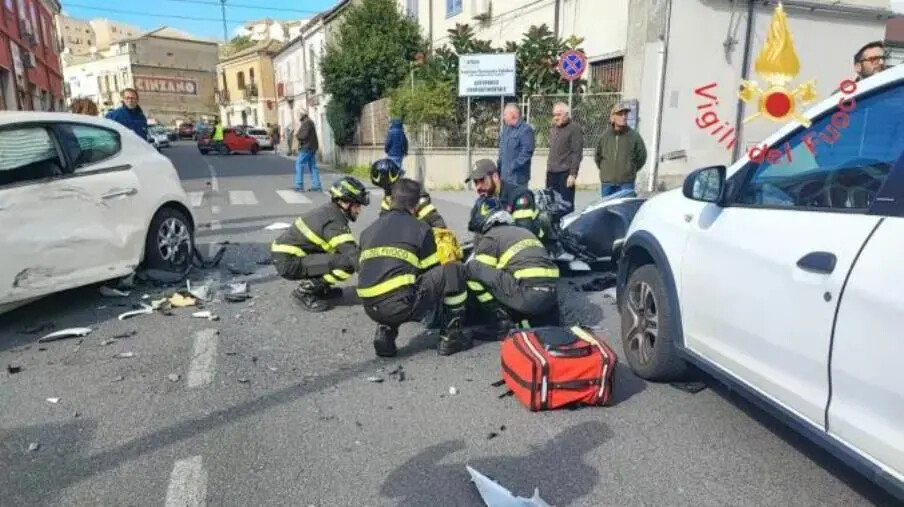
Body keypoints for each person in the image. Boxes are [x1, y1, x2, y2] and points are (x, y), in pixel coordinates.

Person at [357, 178, 471, 358]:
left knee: (393, 278)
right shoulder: (420, 228)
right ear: (416, 205)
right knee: (453, 271)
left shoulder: (369, 230)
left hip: (370, 307)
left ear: (391, 199)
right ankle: (451, 338)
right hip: (400, 306)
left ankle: (385, 334)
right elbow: (432, 271)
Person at [270, 176, 369, 312]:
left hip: (289, 255)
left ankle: (321, 289)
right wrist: (378, 282)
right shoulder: (334, 223)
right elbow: (353, 256)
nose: (359, 210)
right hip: (289, 262)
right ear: (345, 203)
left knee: (337, 255)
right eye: (357, 205)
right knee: (347, 263)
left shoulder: (331, 211)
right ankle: (305, 292)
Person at [465, 196, 561, 337]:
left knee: (472, 268)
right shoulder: (523, 232)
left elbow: (481, 274)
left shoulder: (491, 237)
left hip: (528, 298)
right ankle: (525, 319)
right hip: (551, 300)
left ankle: (500, 320)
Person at [466, 159, 543, 239]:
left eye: (482, 180)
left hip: (534, 246)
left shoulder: (520, 196)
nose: (478, 187)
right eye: (476, 182)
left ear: (495, 177)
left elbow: (523, 235)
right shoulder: (485, 200)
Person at [371, 158, 446, 228]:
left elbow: (437, 223)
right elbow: (383, 223)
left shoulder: (414, 193)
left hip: (420, 234)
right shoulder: (387, 201)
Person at [594, 101, 647, 197]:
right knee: (607, 210)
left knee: (625, 210)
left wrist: (630, 169)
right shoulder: (604, 137)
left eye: (625, 114)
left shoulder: (634, 136)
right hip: (607, 183)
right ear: (612, 118)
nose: (623, 117)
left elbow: (642, 156)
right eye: (620, 114)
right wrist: (606, 170)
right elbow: (598, 157)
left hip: (626, 183)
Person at [546, 102, 583, 206]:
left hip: (565, 174)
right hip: (551, 174)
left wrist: (572, 174)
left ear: (566, 114)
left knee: (565, 206)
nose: (556, 117)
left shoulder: (574, 129)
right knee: (551, 206)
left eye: (559, 114)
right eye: (554, 115)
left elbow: (577, 153)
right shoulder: (553, 128)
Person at [497, 103, 535, 186]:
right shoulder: (506, 130)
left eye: (505, 115)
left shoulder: (526, 130)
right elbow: (502, 152)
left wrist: (511, 167)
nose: (503, 118)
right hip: (504, 178)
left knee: (518, 199)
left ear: (513, 115)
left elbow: (526, 153)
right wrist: (498, 170)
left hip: (517, 179)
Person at [295, 111, 321, 192]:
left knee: (299, 164)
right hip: (313, 147)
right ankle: (316, 185)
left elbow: (304, 135)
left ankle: (299, 185)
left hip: (306, 147)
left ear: (302, 115)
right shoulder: (310, 121)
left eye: (298, 115)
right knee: (313, 166)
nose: (298, 117)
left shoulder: (306, 123)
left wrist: (297, 135)